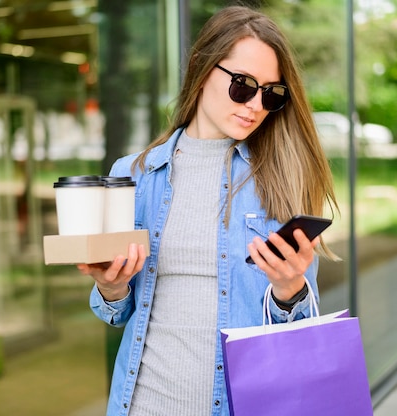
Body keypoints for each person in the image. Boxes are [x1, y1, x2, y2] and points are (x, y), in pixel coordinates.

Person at [77, 5, 339, 415]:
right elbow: (118, 312)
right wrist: (111, 287)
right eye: (242, 85)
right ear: (202, 69)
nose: (255, 104)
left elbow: (303, 331)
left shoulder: (285, 179)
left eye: (271, 93)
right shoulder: (133, 175)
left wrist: (291, 291)